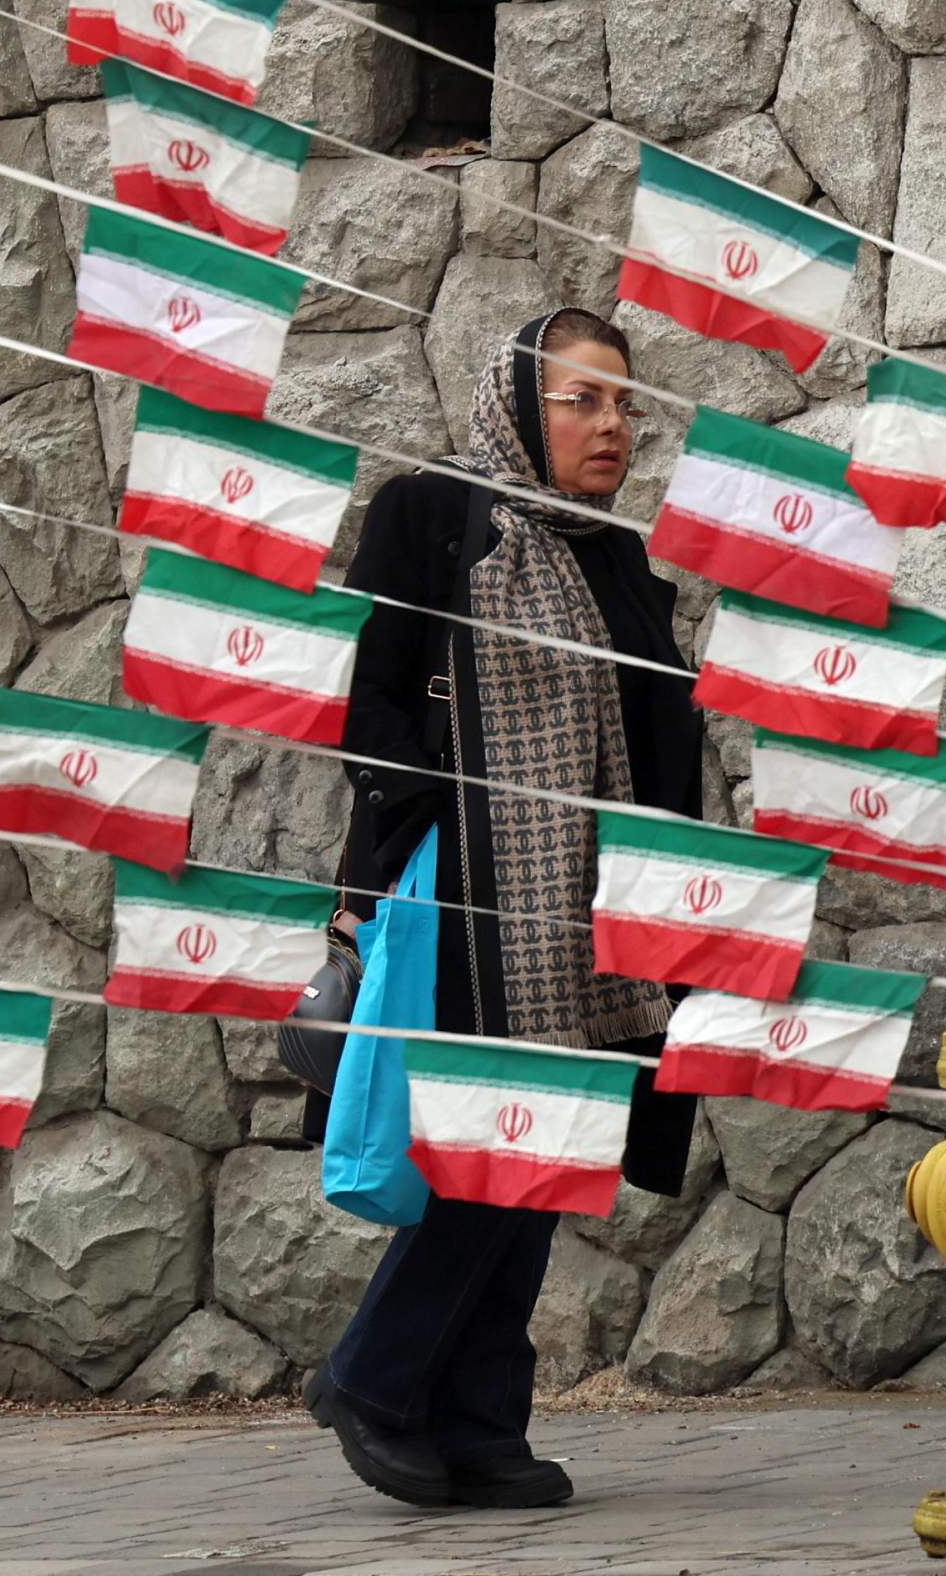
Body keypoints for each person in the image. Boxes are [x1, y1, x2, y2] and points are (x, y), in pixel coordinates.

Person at [304, 309, 704, 1510]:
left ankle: (480, 1420)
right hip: (465, 892)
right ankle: (373, 1379)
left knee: (556, 1148)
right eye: (582, 399)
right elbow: (353, 686)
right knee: (495, 1150)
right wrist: (419, 798)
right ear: (518, 403)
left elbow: (657, 732)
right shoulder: (429, 516)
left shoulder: (616, 557)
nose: (611, 426)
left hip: (591, 908)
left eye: (625, 405)